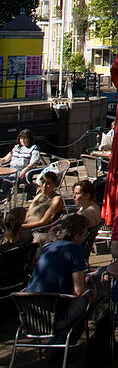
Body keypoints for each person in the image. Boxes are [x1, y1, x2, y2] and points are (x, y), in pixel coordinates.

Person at [27, 215, 93, 343]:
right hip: (54, 318)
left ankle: (56, 348)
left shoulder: (47, 248)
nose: (85, 238)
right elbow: (79, 291)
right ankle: (59, 346)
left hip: (31, 317)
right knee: (86, 301)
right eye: (84, 235)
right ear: (76, 236)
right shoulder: (75, 250)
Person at [19, 170, 65, 235]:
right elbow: (28, 213)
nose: (44, 186)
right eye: (42, 182)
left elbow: (43, 222)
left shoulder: (56, 199)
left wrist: (21, 227)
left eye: (48, 183)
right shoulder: (38, 196)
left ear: (54, 184)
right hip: (26, 226)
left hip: (37, 230)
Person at [0, 128, 41, 194]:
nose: (23, 140)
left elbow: (34, 162)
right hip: (11, 169)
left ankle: (3, 194)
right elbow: (5, 159)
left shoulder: (33, 148)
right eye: (21, 138)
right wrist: (1, 161)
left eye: (25, 138)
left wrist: (26, 169)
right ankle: (4, 194)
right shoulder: (16, 148)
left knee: (8, 180)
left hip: (22, 171)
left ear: (29, 139)